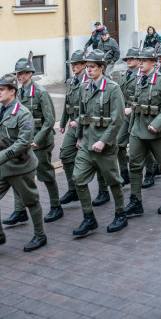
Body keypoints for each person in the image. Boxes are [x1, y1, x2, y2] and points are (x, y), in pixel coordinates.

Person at [0, 74, 46, 252]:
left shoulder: (23, 114)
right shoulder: (0, 111)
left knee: (31, 201)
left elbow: (23, 142)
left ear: (12, 91)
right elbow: (3, 136)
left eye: (1, 90)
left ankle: (40, 236)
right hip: (3, 165)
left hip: (20, 166)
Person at [71, 50, 128, 236]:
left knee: (113, 181)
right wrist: (79, 137)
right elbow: (82, 114)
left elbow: (118, 118)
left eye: (92, 67)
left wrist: (104, 141)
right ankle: (89, 218)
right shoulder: (84, 87)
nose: (88, 70)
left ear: (102, 68)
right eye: (87, 67)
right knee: (78, 179)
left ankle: (121, 214)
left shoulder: (112, 88)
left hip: (105, 145)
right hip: (87, 143)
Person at [124, 48, 161, 216]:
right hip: (139, 130)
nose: (140, 63)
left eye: (144, 61)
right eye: (139, 60)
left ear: (154, 63)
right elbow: (135, 106)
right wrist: (130, 129)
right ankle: (135, 201)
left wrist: (157, 123)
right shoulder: (138, 79)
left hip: (158, 132)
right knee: (134, 164)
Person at [8, 55, 62, 224]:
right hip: (24, 140)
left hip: (41, 141)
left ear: (30, 73)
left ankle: (56, 207)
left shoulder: (40, 92)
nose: (19, 76)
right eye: (17, 73)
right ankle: (19, 210)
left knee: (45, 173)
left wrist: (38, 140)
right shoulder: (17, 93)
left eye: (23, 73)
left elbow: (50, 120)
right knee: (19, 174)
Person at [58, 50, 101, 206]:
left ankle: (103, 191)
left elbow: (91, 107)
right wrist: (63, 122)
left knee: (97, 159)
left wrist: (77, 121)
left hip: (88, 123)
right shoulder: (71, 81)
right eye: (72, 64)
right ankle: (73, 190)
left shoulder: (89, 81)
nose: (73, 67)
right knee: (66, 155)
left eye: (76, 64)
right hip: (73, 123)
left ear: (84, 65)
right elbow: (67, 103)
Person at [116, 47, 142, 186]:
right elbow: (119, 93)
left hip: (137, 112)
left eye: (131, 58)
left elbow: (143, 97)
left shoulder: (142, 75)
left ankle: (150, 170)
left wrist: (131, 108)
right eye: (127, 59)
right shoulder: (122, 74)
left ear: (139, 61)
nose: (128, 61)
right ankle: (124, 173)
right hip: (123, 112)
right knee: (119, 143)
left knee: (143, 145)